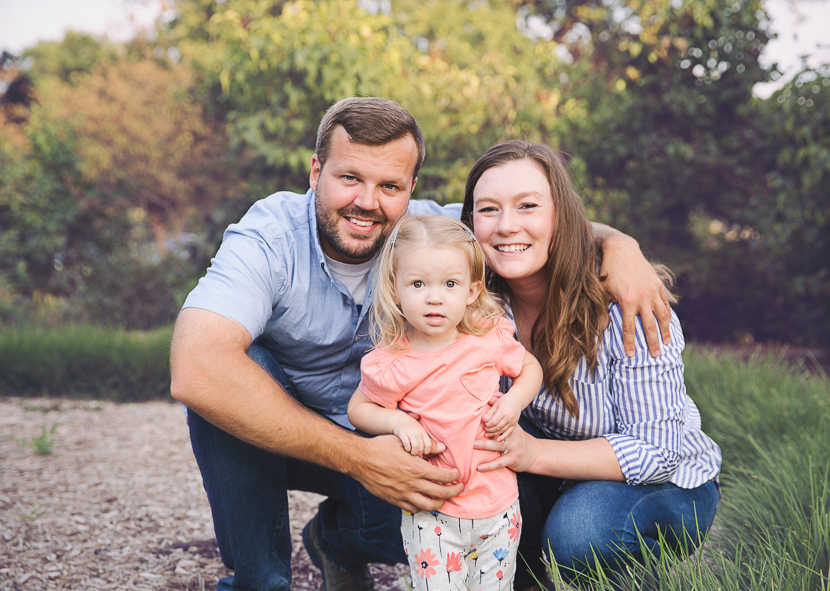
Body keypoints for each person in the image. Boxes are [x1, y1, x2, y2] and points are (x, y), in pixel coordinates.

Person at [169, 97, 674, 591]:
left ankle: (337, 538)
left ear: (411, 189)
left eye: (389, 185)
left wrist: (617, 245)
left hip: (411, 443)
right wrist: (358, 458)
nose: (367, 201)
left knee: (496, 516)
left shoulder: (433, 231)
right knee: (232, 372)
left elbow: (526, 225)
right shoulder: (269, 237)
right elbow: (195, 368)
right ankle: (260, 581)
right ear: (315, 171)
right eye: (349, 178)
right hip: (295, 435)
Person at [458, 140, 722, 589]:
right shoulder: (481, 304)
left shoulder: (626, 307)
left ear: (561, 217)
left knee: (578, 536)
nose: (506, 226)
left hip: (667, 485)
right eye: (488, 210)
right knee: (475, 469)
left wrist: (533, 453)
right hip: (560, 471)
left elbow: (658, 452)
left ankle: (633, 576)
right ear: (469, 224)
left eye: (527, 206)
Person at [347, 213, 541, 591]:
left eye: (450, 283)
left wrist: (515, 400)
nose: (434, 297)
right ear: (396, 288)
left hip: (498, 506)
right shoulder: (394, 361)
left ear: (471, 290)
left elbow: (530, 368)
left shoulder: (488, 337)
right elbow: (359, 408)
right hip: (432, 511)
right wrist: (399, 423)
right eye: (418, 284)